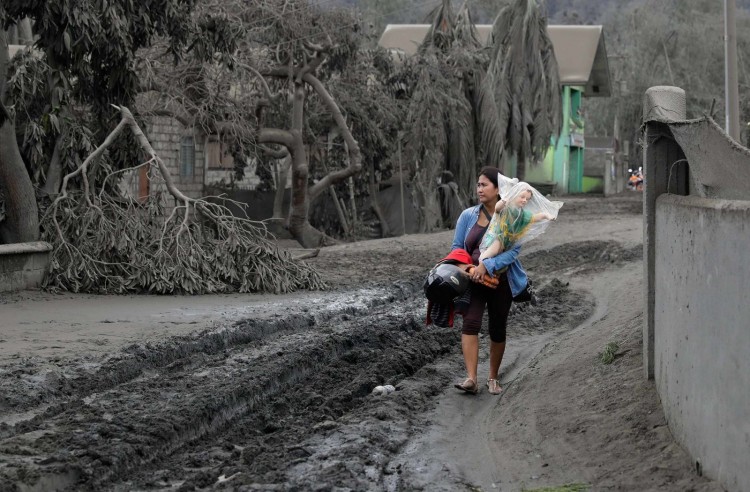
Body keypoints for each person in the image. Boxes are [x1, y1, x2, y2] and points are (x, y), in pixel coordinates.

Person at [450, 167, 529, 396]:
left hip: (500, 280)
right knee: (470, 323)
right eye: (478, 185)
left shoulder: (513, 215)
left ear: (498, 188)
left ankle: (492, 378)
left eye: (484, 185)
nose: (479, 189)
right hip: (473, 279)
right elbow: (457, 248)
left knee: (497, 327)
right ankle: (472, 379)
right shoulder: (468, 216)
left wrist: (488, 266)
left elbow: (513, 252)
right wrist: (471, 268)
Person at [478, 182, 556, 262]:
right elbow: (497, 208)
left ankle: (488, 266)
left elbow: (534, 218)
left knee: (499, 255)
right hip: (497, 236)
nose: (524, 200)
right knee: (494, 249)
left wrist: (546, 215)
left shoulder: (522, 214)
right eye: (522, 197)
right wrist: (503, 201)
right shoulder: (507, 207)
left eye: (527, 199)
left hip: (507, 241)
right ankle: (482, 261)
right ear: (514, 195)